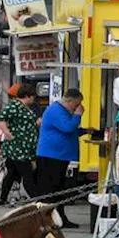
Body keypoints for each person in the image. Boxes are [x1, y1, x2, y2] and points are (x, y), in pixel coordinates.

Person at [36, 89, 87, 228]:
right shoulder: (56, 110)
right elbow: (68, 128)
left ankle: (60, 217)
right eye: (76, 104)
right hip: (52, 155)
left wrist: (85, 131)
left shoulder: (63, 112)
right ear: (69, 101)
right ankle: (49, 219)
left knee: (60, 189)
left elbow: (70, 130)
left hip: (61, 156)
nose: (78, 107)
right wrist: (77, 115)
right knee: (52, 190)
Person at [0, 84, 39, 204]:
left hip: (21, 146)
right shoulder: (15, 106)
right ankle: (38, 202)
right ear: (27, 96)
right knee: (27, 175)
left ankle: (3, 198)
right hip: (19, 148)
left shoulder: (23, 107)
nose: (34, 99)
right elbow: (0, 117)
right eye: (33, 97)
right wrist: (6, 132)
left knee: (12, 173)